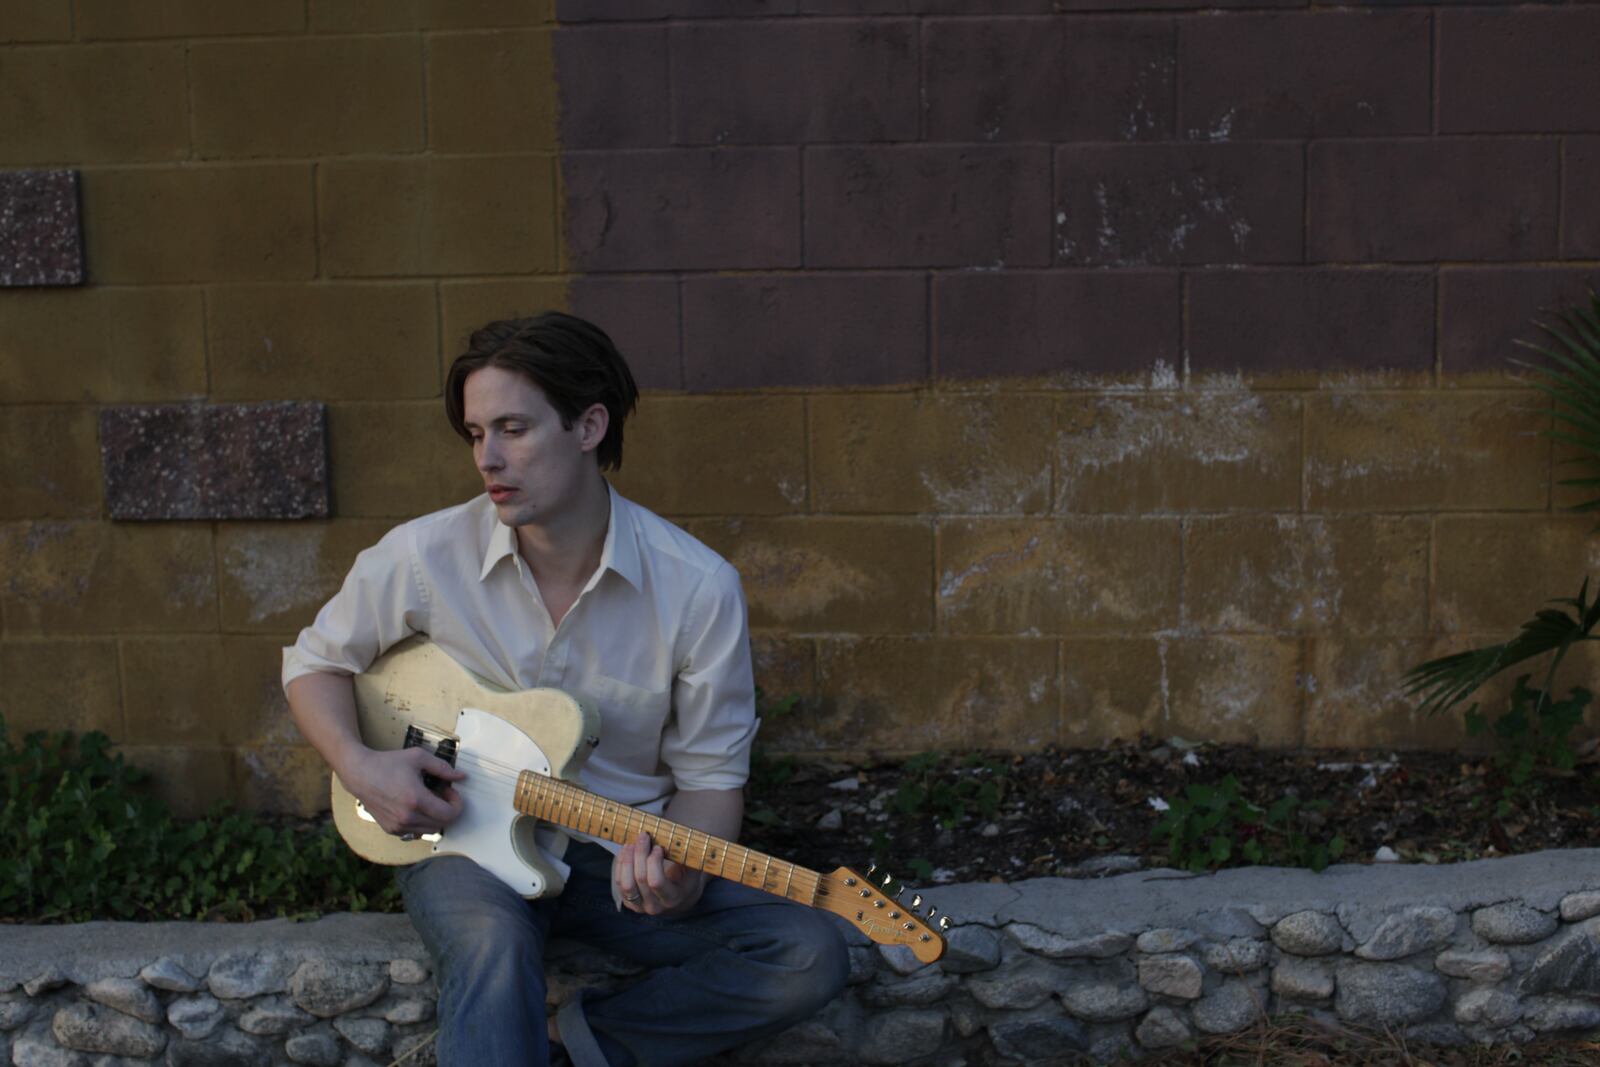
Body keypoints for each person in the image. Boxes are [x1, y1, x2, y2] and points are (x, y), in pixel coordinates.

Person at [283, 312, 849, 1067]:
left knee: (808, 951)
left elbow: (711, 780)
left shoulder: (697, 588)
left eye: (513, 428)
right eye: (477, 433)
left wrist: (679, 873)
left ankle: (575, 1045)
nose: (489, 458)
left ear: (588, 426)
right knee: (489, 942)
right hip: (463, 842)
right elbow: (313, 662)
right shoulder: (423, 555)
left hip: (616, 856)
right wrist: (360, 764)